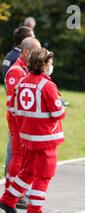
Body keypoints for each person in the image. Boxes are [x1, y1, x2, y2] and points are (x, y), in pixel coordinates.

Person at [0, 48, 65, 213]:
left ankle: (7, 199)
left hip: (27, 138)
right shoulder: (48, 85)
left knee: (27, 171)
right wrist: (62, 108)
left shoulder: (21, 83)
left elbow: (13, 109)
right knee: (43, 176)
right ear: (44, 65)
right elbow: (57, 112)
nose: (52, 66)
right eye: (50, 63)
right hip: (46, 139)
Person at [3, 38, 42, 198]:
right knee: (18, 156)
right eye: (35, 52)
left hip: (24, 121)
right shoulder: (16, 71)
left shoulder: (25, 69)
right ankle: (12, 192)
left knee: (23, 157)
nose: (38, 56)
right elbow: (12, 103)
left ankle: (17, 192)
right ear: (26, 52)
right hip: (18, 121)